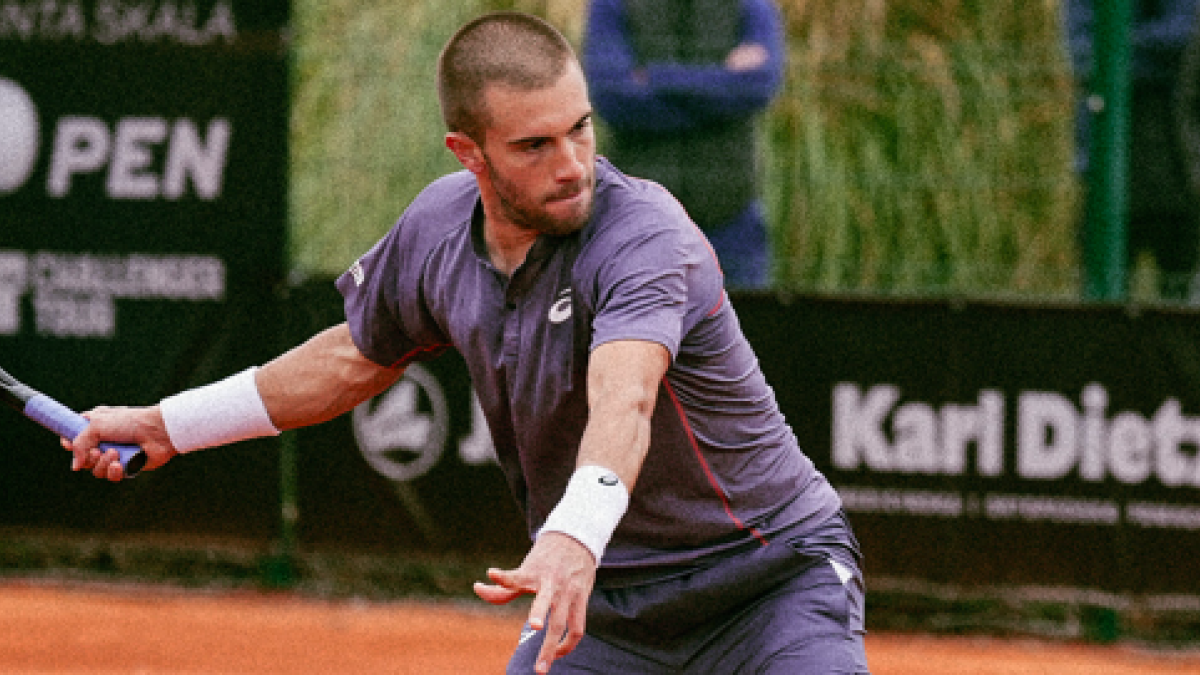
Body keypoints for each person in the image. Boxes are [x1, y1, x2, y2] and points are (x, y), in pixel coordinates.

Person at [67, 12, 869, 675]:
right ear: (469, 154)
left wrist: (570, 535)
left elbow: (622, 397)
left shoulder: (645, 233)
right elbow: (351, 357)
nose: (572, 164)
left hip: (766, 581)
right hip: (610, 607)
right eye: (534, 146)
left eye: (580, 129)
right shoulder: (437, 230)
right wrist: (169, 423)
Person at [582, 0, 786, 290]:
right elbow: (612, 97)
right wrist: (722, 86)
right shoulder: (612, 4)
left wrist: (655, 77)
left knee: (745, 330)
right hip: (635, 233)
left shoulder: (750, 4)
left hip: (731, 227)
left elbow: (758, 84)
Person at [1068, 0, 1200, 300]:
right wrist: (1152, 54)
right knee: (1101, 306)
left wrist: (1116, 48)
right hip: (1102, 172)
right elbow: (1083, 53)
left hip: (1178, 172)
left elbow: (1183, 42)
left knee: (1180, 306)